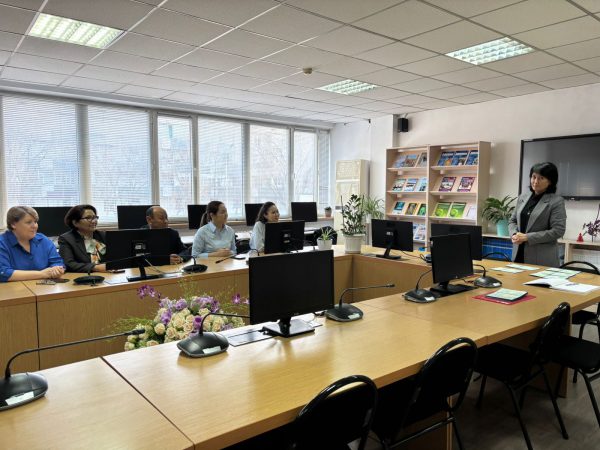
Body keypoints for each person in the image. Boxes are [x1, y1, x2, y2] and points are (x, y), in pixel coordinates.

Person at [509, 162, 566, 267]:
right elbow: (512, 221)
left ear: (550, 181)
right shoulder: (523, 197)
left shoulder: (556, 201)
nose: (535, 181)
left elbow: (558, 231)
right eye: (533, 177)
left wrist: (527, 237)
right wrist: (514, 234)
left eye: (541, 178)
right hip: (518, 256)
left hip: (541, 260)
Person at [0, 206, 65, 282]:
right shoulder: (2, 243)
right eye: (29, 222)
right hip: (14, 288)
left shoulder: (43, 240)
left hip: (43, 287)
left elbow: (58, 262)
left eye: (35, 222)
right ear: (13, 224)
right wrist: (42, 274)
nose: (35, 226)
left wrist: (57, 269)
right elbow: (3, 273)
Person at [58, 204, 107, 273]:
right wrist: (96, 268)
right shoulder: (66, 239)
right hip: (84, 276)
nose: (94, 221)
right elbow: (69, 264)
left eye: (95, 217)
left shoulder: (102, 235)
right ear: (75, 223)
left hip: (108, 275)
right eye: (88, 218)